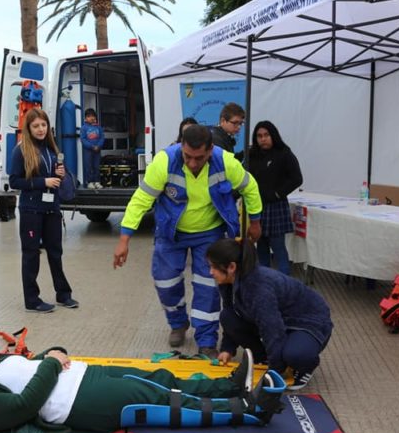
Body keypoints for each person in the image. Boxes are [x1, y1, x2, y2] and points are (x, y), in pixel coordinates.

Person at [113, 124, 262, 358]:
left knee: (208, 285)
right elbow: (141, 199)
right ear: (181, 147)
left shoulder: (226, 163)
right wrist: (125, 238)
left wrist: (255, 221)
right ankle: (178, 323)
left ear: (210, 150)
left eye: (199, 158)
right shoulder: (163, 162)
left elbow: (250, 187)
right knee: (165, 281)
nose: (193, 163)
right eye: (188, 157)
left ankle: (206, 339)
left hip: (209, 232)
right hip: (171, 233)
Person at [0, 346, 285, 433]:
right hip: (82, 401)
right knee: (163, 400)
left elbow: (36, 364)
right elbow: (27, 403)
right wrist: (52, 363)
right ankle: (249, 411)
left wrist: (53, 354)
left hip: (85, 375)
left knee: (160, 377)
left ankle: (228, 386)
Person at [206, 238, 332, 390]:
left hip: (307, 322)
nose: (210, 272)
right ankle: (265, 357)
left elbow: (272, 330)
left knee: (295, 355)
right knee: (228, 316)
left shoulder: (258, 288)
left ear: (232, 267)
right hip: (280, 319)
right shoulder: (228, 281)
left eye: (213, 267)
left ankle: (305, 367)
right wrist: (227, 349)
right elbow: (231, 312)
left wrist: (273, 373)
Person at [9, 108, 78, 313]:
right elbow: (15, 181)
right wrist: (43, 181)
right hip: (31, 211)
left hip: (52, 209)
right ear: (28, 129)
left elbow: (57, 180)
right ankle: (32, 300)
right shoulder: (20, 150)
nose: (40, 129)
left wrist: (60, 174)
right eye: (36, 126)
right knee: (31, 255)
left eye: (43, 125)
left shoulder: (51, 149)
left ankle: (63, 294)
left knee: (56, 253)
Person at [247, 121, 303, 275]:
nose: (263, 139)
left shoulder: (284, 153)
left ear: (273, 135)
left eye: (266, 135)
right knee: (262, 248)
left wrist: (278, 193)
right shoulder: (252, 154)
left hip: (275, 207)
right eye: (259, 136)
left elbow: (297, 178)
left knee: (278, 248)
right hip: (257, 207)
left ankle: (285, 284)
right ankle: (265, 282)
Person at [80, 108, 104, 189]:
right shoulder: (83, 128)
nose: (92, 118)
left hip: (97, 150)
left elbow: (102, 138)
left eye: (93, 116)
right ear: (85, 118)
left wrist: (98, 146)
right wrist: (91, 146)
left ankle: (97, 182)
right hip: (88, 151)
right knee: (88, 166)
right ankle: (89, 182)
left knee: (96, 166)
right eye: (89, 116)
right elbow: (83, 139)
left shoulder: (99, 127)